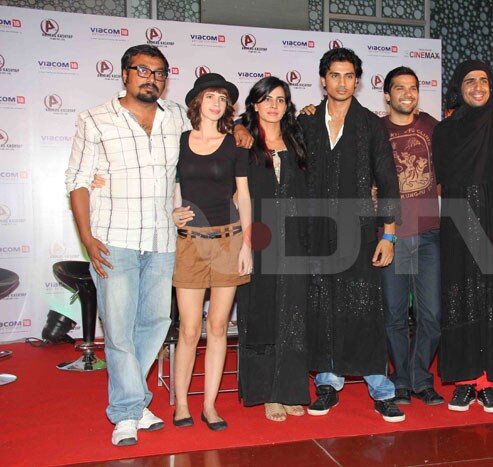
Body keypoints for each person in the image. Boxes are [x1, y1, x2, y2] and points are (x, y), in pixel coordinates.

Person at [65, 44, 190, 446]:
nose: (150, 78)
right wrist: (86, 237)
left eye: (158, 72)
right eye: (142, 70)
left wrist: (240, 127)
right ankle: (125, 412)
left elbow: (213, 130)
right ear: (124, 75)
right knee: (118, 330)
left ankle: (135, 402)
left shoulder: (177, 117)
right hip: (112, 239)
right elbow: (78, 181)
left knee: (155, 324)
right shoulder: (95, 119)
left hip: (160, 239)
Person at [298, 48, 404, 422]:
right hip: (315, 233)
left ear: (357, 81)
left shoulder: (371, 126)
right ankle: (327, 385)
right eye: (335, 75)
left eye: (348, 76)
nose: (342, 83)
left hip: (359, 233)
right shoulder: (306, 124)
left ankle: (381, 389)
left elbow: (388, 181)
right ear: (323, 80)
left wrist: (388, 235)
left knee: (365, 309)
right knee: (322, 306)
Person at [432, 60, 493, 414]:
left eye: (484, 81)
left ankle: (487, 383)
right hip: (457, 223)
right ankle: (463, 381)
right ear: (459, 87)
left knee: (492, 300)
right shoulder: (444, 132)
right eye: (470, 81)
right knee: (458, 297)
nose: (477, 86)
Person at [170, 73, 252, 431]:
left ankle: (210, 406)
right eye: (210, 97)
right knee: (189, 330)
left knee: (217, 327)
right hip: (189, 242)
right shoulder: (179, 142)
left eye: (222, 97)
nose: (217, 103)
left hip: (227, 241)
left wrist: (247, 244)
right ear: (197, 103)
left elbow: (244, 197)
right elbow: (167, 189)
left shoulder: (235, 146)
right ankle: (181, 405)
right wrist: (171, 213)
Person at [235, 76, 310, 421]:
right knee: (261, 314)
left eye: (280, 100)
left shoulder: (297, 139)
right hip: (258, 235)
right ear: (254, 104)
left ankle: (290, 389)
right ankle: (265, 392)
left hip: (295, 237)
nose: (273, 106)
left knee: (293, 316)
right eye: (267, 99)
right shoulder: (241, 141)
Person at [378, 67, 443, 406]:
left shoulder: (433, 127)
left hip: (429, 233)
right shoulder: (375, 129)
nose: (407, 93)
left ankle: (420, 377)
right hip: (391, 236)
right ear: (387, 94)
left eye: (413, 87)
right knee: (394, 314)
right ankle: (401, 380)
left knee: (432, 315)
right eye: (399, 88)